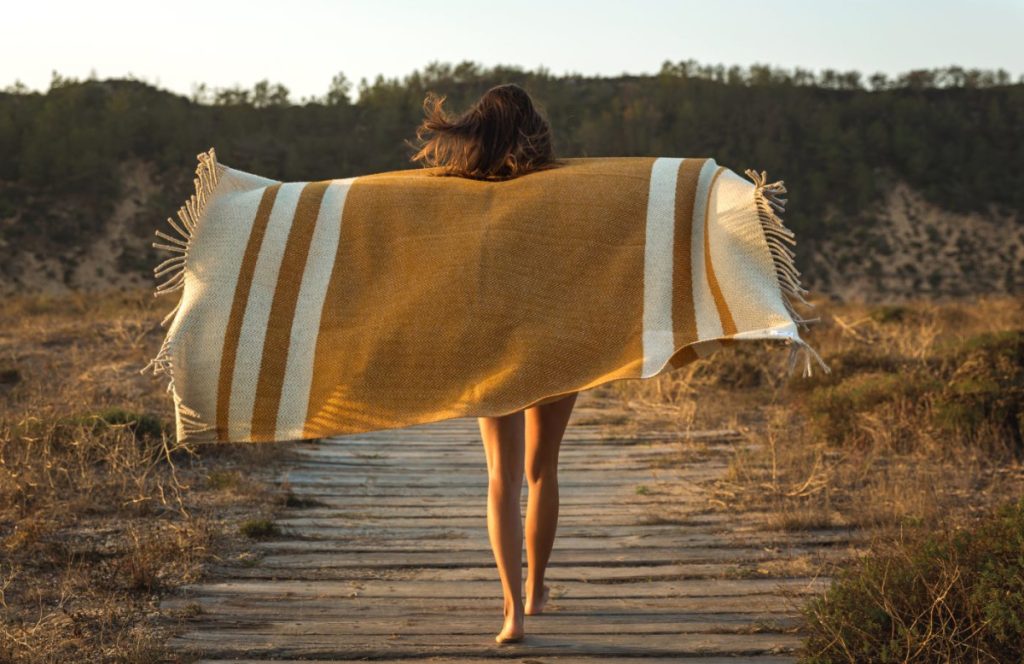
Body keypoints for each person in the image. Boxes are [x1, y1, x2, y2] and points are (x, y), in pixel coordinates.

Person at [410, 83, 579, 643]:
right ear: (537, 131)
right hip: (556, 338)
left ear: (480, 132)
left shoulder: (461, 196)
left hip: (491, 342)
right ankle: (537, 589)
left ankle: (513, 612)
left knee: (501, 477)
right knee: (542, 470)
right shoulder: (570, 192)